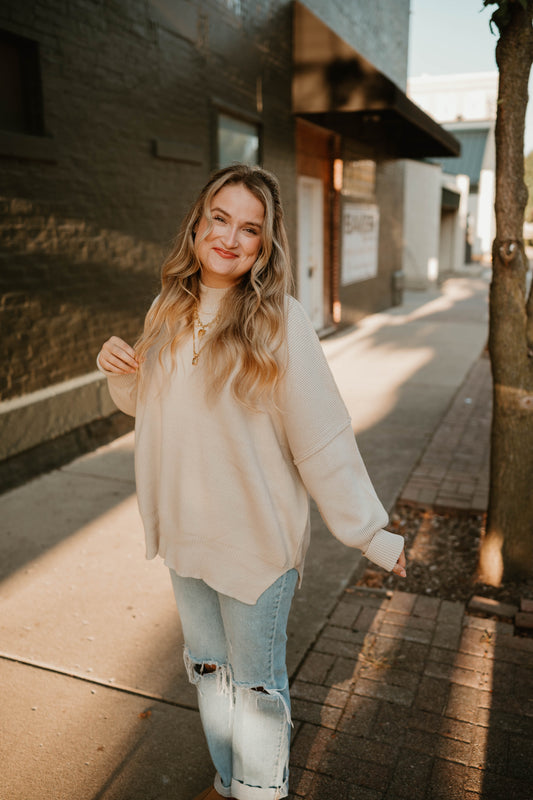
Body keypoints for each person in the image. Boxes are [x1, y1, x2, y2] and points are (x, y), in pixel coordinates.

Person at [97, 164, 406, 800]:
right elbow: (152, 408)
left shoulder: (280, 322)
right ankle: (229, 780)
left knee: (257, 688)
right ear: (198, 223)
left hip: (255, 544)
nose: (231, 238)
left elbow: (322, 439)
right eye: (220, 219)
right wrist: (121, 370)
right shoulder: (169, 307)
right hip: (187, 535)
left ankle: (259, 792)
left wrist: (371, 533)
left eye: (250, 229)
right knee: (210, 674)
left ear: (265, 245)